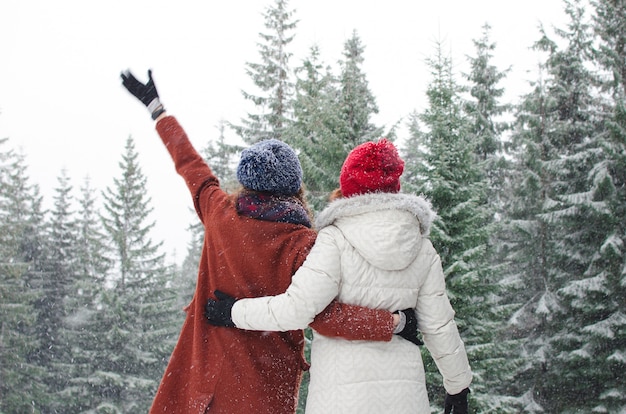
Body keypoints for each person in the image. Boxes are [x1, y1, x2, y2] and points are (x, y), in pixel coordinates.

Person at [120, 70, 421, 414]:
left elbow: (190, 164)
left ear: (246, 181)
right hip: (262, 390)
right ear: (295, 188)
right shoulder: (304, 245)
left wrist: (157, 110)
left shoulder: (219, 214)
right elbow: (326, 316)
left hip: (200, 383)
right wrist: (395, 322)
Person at [205, 138, 473, 413]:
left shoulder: (334, 239)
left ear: (348, 187)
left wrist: (234, 312)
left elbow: (297, 310)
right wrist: (458, 385)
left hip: (339, 398)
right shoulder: (421, 248)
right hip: (404, 397)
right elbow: (439, 326)